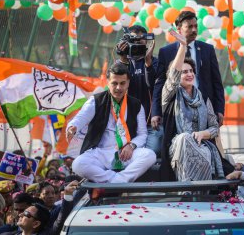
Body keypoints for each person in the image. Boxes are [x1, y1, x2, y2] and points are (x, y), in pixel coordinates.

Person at [67, 62, 156, 183]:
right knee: (78, 164)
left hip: (125, 154)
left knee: (150, 155)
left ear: (128, 83)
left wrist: (131, 146)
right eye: (114, 83)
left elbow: (142, 134)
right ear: (108, 82)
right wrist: (73, 127)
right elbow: (81, 117)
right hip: (101, 153)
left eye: (122, 83)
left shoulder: (136, 105)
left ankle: (120, 179)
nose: (118, 88)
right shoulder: (96, 100)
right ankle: (116, 180)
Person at [151, 11, 225, 137]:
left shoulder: (207, 49)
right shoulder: (166, 52)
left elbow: (216, 82)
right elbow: (160, 84)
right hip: (176, 109)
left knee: (204, 142)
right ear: (179, 29)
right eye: (189, 27)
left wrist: (219, 109)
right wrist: (156, 112)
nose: (194, 30)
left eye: (196, 26)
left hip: (204, 109)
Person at [160, 39, 224, 181]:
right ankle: (186, 187)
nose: (189, 74)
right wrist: (183, 47)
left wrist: (203, 134)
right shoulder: (170, 94)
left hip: (202, 145)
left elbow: (215, 127)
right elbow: (172, 77)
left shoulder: (203, 97)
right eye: (184, 72)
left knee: (206, 152)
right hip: (177, 146)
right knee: (185, 138)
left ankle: (203, 192)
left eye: (191, 71)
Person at [115, 25, 162, 155]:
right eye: (134, 41)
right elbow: (118, 88)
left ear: (146, 42)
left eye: (140, 41)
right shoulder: (122, 64)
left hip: (151, 123)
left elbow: (155, 87)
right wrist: (123, 59)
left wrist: (148, 63)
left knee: (152, 151)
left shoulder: (156, 62)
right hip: (128, 124)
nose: (137, 44)